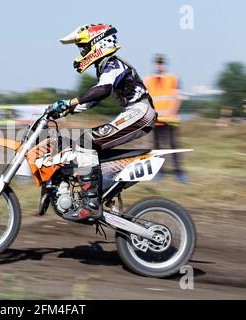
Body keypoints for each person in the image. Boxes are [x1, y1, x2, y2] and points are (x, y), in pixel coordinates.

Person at [49, 24, 156, 222]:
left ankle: (92, 204)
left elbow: (103, 90)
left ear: (98, 44)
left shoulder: (113, 64)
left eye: (84, 47)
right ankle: (104, 191)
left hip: (140, 112)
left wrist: (70, 102)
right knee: (89, 148)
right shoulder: (106, 67)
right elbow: (93, 99)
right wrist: (63, 109)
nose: (82, 52)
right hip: (136, 112)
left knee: (86, 142)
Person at [144, 54, 186, 183]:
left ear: (164, 64)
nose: (159, 65)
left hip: (170, 120)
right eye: (157, 62)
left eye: (161, 63)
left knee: (173, 146)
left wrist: (172, 112)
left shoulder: (173, 78)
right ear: (155, 64)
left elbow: (177, 98)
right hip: (156, 120)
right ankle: (159, 172)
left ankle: (179, 172)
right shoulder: (147, 80)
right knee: (157, 148)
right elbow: (146, 99)